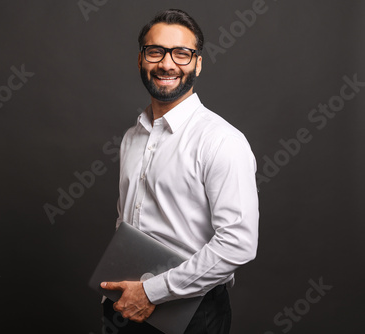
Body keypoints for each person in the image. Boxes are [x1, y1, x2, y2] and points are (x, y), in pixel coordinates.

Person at [100, 8, 259, 334]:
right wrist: (119, 292)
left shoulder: (221, 140)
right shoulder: (132, 137)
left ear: (197, 62)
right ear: (141, 59)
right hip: (126, 304)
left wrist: (151, 292)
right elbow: (125, 221)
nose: (167, 64)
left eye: (182, 54)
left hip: (192, 314)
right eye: (155, 51)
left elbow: (238, 243)